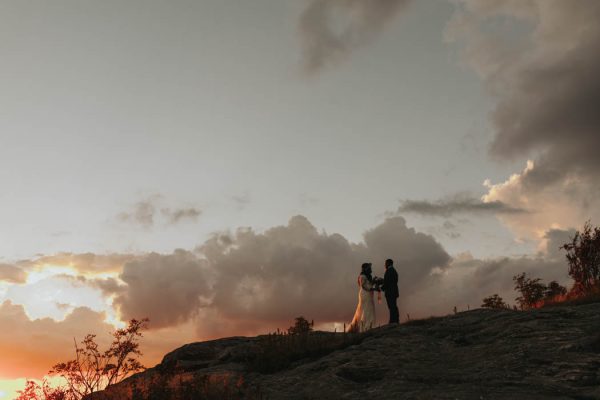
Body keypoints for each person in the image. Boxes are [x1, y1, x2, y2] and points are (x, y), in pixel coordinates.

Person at [349, 263, 377, 332]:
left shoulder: (367, 276)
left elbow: (369, 285)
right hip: (365, 294)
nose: (371, 269)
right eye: (369, 268)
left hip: (369, 294)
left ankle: (368, 326)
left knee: (369, 308)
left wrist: (374, 281)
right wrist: (373, 289)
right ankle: (364, 328)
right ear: (366, 269)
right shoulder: (362, 276)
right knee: (366, 309)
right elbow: (364, 286)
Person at [381, 258, 399, 324]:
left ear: (389, 263)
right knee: (393, 306)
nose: (384, 265)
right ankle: (395, 320)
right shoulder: (392, 270)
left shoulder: (389, 271)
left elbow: (387, 282)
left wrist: (381, 288)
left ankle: (393, 321)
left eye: (385, 263)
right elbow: (389, 281)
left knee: (392, 307)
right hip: (393, 292)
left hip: (391, 292)